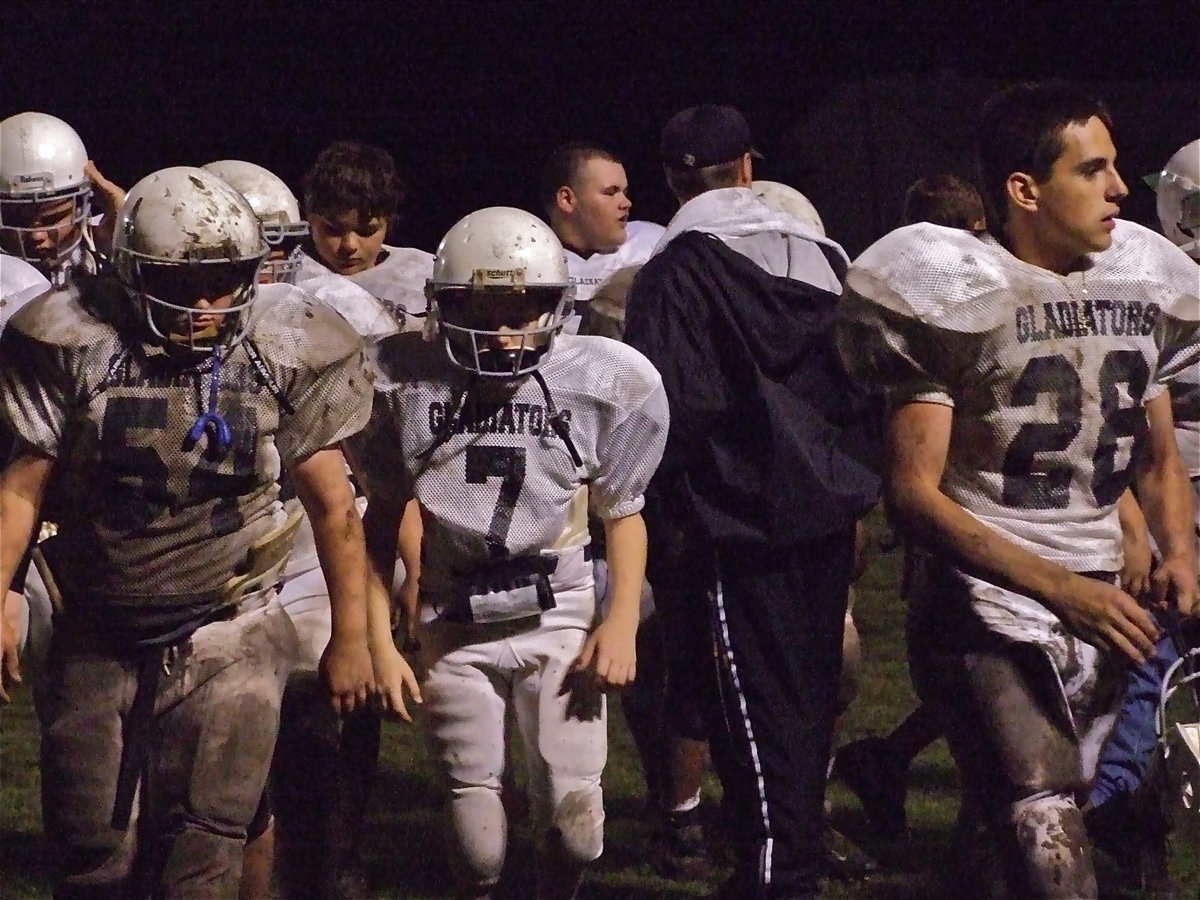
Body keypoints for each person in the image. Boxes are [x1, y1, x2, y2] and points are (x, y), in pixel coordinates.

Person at [837, 83, 1199, 898]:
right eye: (1093, 169)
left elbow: (1156, 455)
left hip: (1103, 589)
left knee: (1001, 839)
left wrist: (1178, 548)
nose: (1117, 190)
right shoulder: (951, 289)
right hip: (986, 601)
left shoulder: (1139, 281)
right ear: (1024, 189)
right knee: (1045, 823)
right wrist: (1059, 586)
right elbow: (913, 493)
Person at [0, 165, 376, 898]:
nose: (207, 304)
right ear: (131, 271)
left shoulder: (283, 342)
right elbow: (20, 488)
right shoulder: (67, 337)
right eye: (182, 282)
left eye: (225, 279)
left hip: (230, 623)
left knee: (206, 847)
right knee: (91, 857)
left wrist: (353, 636)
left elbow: (334, 507)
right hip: (98, 621)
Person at [352, 206, 668, 899]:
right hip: (453, 617)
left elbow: (624, 513)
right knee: (478, 841)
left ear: (555, 308)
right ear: (442, 306)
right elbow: (375, 534)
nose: (502, 333)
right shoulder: (403, 384)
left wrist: (616, 624)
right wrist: (377, 643)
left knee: (577, 826)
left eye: (521, 311)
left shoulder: (596, 379)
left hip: (560, 612)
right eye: (483, 310)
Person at [623, 104, 881, 900]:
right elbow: (866, 385)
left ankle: (779, 879)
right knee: (803, 707)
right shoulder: (827, 257)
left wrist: (673, 519)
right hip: (825, 520)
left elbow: (679, 411)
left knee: (755, 716)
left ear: (673, 180)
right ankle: (780, 866)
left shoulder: (674, 269)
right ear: (747, 167)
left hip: (736, 530)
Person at [204, 155, 410, 898]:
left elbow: (381, 458)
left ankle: (331, 861)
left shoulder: (329, 311)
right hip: (219, 541)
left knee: (328, 706)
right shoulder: (176, 309)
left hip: (313, 533)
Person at [832, 173, 989, 840]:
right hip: (964, 497)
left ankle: (888, 759)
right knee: (987, 670)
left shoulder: (889, 298)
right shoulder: (959, 301)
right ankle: (979, 841)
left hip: (931, 493)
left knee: (977, 671)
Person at [298, 139, 433, 331]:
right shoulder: (284, 278)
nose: (349, 245)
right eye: (333, 230)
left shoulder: (423, 273)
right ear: (310, 221)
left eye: (366, 231)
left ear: (388, 223)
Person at [539, 141, 664, 335]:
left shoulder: (654, 246)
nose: (626, 203)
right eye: (610, 192)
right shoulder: (527, 254)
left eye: (625, 192)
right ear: (567, 200)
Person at [0, 111, 124, 285]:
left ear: (82, 206)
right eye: (18, 220)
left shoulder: (103, 248)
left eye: (53, 218)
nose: (37, 236)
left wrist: (125, 242)